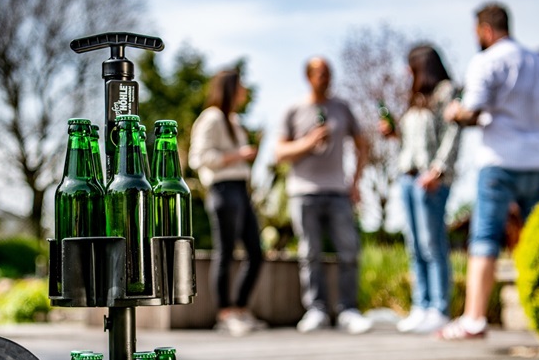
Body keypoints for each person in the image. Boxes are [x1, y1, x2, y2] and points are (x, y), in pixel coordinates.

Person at [439, 2, 539, 340]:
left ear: (485, 30)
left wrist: (454, 112)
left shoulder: (487, 61)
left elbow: (472, 110)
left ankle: (474, 319)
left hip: (500, 161)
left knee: (485, 238)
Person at [275, 57, 372, 335]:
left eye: (328, 73)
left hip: (338, 191)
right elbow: (279, 153)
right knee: (310, 253)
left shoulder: (342, 108)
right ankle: (316, 310)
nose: (325, 78)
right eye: (319, 73)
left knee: (349, 250)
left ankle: (348, 310)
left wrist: (356, 181)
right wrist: (308, 142)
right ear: (308, 77)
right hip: (303, 192)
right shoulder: (293, 109)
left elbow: (362, 145)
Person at [379, 44, 461, 334]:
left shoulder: (446, 92)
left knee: (432, 244)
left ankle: (439, 308)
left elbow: (452, 133)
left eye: (410, 66)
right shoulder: (416, 99)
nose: (406, 72)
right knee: (414, 245)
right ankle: (421, 305)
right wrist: (394, 133)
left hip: (431, 179)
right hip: (408, 177)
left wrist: (437, 169)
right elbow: (412, 142)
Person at [189, 68, 265, 337]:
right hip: (223, 189)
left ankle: (240, 309)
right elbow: (198, 158)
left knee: (256, 252)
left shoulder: (233, 120)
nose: (244, 91)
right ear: (230, 88)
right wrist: (238, 155)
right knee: (225, 252)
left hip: (241, 190)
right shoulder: (211, 118)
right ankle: (224, 314)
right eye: (240, 86)